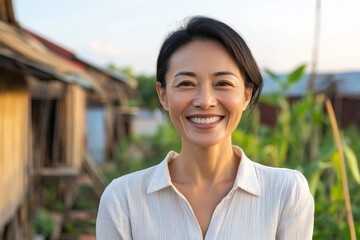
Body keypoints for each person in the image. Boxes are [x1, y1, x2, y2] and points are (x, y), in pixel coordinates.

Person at [96, 16, 314, 240]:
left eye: (223, 83)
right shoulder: (123, 199)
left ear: (246, 95)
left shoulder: (286, 193)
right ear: (163, 95)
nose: (205, 101)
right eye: (186, 84)